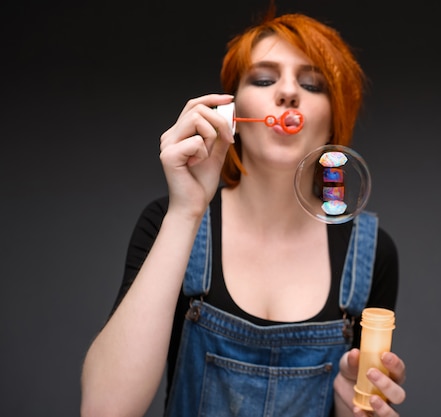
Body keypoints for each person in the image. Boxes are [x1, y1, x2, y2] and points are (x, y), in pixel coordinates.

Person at [80, 4, 406, 417]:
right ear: (232, 115)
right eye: (265, 78)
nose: (288, 92)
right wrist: (186, 211)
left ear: (333, 122)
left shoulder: (373, 253)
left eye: (312, 84)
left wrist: (353, 404)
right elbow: (104, 409)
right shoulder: (169, 222)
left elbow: (357, 401)